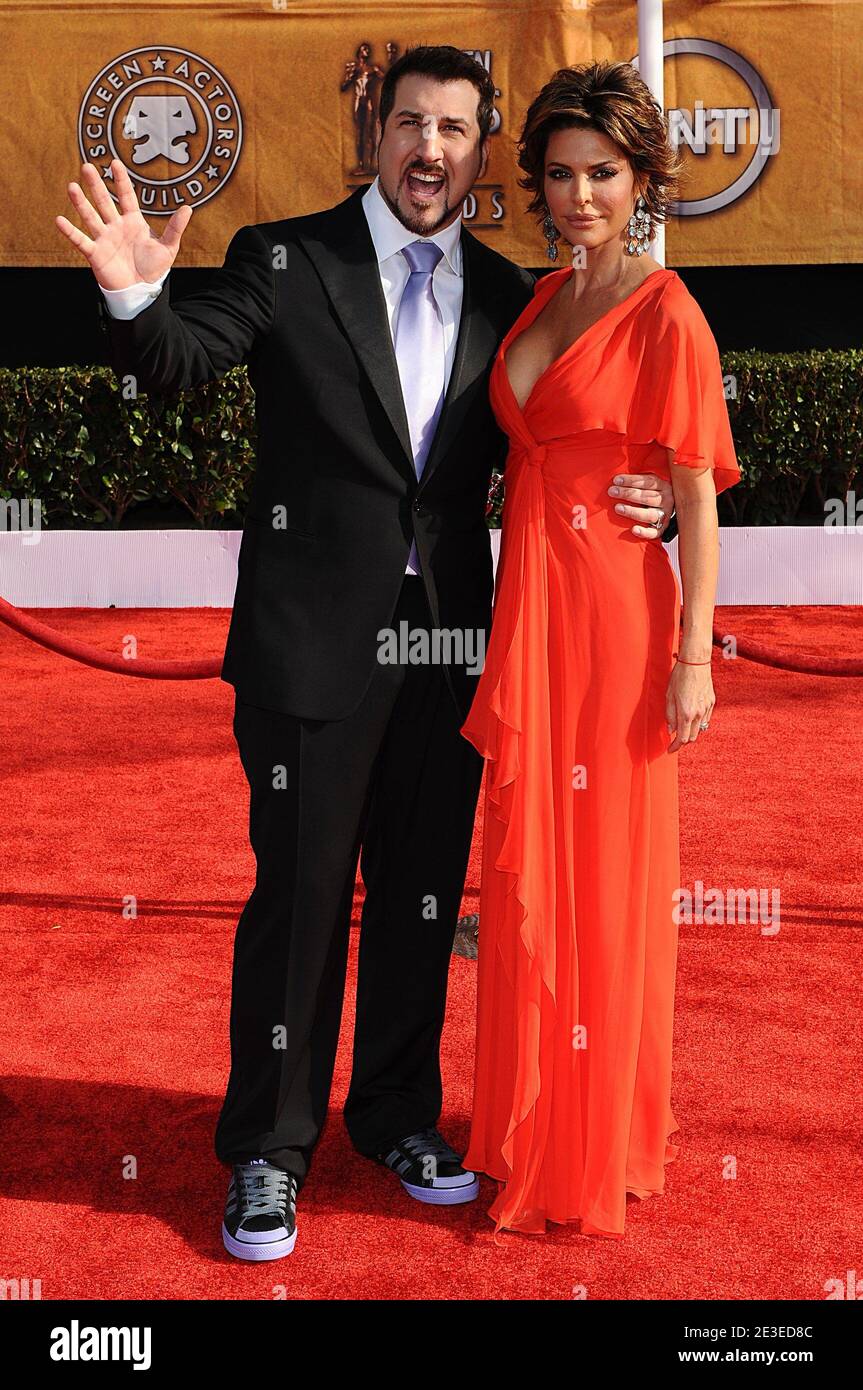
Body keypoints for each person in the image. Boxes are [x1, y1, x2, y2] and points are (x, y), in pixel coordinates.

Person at [55, 45, 675, 1261]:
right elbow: (184, 360)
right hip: (309, 645)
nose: (428, 150)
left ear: (481, 150)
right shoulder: (285, 258)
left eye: (453, 129)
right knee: (297, 902)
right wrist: (137, 299)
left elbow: (580, 427)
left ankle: (394, 1115)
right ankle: (269, 1155)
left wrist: (647, 490)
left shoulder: (516, 293)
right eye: (407, 124)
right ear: (372, 132)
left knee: (421, 895)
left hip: (451, 648)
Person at [460, 59, 742, 1239]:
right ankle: (531, 1120)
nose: (581, 196)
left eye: (604, 176)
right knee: (531, 875)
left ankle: (590, 1146)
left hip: (616, 626)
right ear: (537, 185)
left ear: (641, 183)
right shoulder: (537, 298)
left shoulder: (665, 309)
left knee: (601, 885)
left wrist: (692, 659)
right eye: (562, 175)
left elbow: (695, 497)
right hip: (533, 614)